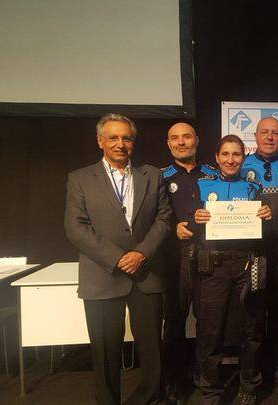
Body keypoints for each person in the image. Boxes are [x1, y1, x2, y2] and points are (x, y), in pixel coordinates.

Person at [64, 113, 172, 404]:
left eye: (126, 138)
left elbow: (164, 219)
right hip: (102, 274)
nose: (120, 143)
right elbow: (76, 227)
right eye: (113, 137)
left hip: (145, 274)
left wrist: (141, 253)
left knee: (152, 349)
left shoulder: (152, 174)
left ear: (133, 142)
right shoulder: (80, 178)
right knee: (105, 350)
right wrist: (118, 258)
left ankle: (149, 398)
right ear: (100, 141)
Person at [188, 135, 272, 405]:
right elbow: (186, 224)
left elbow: (262, 231)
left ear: (243, 158)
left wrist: (267, 218)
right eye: (226, 154)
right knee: (210, 329)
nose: (231, 160)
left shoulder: (252, 187)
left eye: (236, 155)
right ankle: (210, 389)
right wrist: (195, 218)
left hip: (246, 263)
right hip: (213, 264)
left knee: (251, 327)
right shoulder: (202, 186)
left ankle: (249, 383)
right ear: (216, 157)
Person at [160, 122, 217, 402]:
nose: (181, 142)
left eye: (186, 137)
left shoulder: (214, 175)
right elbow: (147, 218)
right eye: (175, 138)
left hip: (210, 259)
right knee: (174, 323)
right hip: (176, 261)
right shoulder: (158, 178)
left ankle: (205, 380)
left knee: (208, 324)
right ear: (168, 144)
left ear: (197, 140)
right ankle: (174, 384)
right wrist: (173, 228)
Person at [241, 117, 278, 396]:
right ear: (255, 135)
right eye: (265, 132)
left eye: (275, 133)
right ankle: (250, 381)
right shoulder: (241, 165)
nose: (270, 137)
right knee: (252, 320)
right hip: (253, 254)